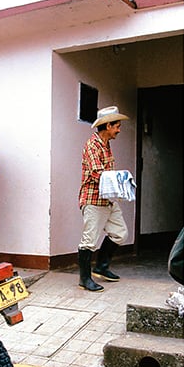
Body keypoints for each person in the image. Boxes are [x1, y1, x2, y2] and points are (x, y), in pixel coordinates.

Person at [78, 106, 130, 292]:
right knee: (89, 240)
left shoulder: (106, 144)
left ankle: (101, 267)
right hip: (93, 199)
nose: (119, 130)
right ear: (108, 126)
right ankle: (85, 279)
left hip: (107, 199)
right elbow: (96, 173)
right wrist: (120, 181)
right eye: (117, 126)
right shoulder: (93, 145)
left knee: (120, 233)